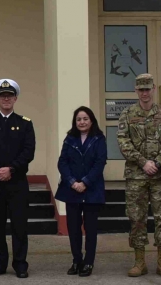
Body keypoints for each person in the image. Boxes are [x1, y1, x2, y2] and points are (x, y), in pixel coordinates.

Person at [117, 73, 161, 278]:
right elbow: (123, 142)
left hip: (160, 176)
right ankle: (139, 261)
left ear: (153, 89)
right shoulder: (127, 114)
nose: (144, 93)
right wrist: (143, 162)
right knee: (137, 218)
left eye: (147, 89)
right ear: (136, 90)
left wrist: (157, 162)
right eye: (140, 89)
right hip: (136, 176)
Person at [0, 79, 35, 279]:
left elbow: (28, 152)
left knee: (19, 225)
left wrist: (11, 169)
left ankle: (20, 264)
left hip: (18, 182)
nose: (6, 99)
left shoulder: (25, 123)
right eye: (2, 96)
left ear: (16, 98)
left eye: (10, 95)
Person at [55, 106, 106, 278]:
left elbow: (100, 163)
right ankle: (77, 260)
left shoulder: (99, 139)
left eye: (85, 119)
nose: (82, 122)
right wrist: (72, 182)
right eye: (78, 119)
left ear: (91, 121)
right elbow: (62, 163)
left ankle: (89, 262)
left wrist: (85, 182)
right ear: (75, 122)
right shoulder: (69, 139)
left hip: (92, 190)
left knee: (90, 229)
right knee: (73, 228)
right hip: (72, 191)